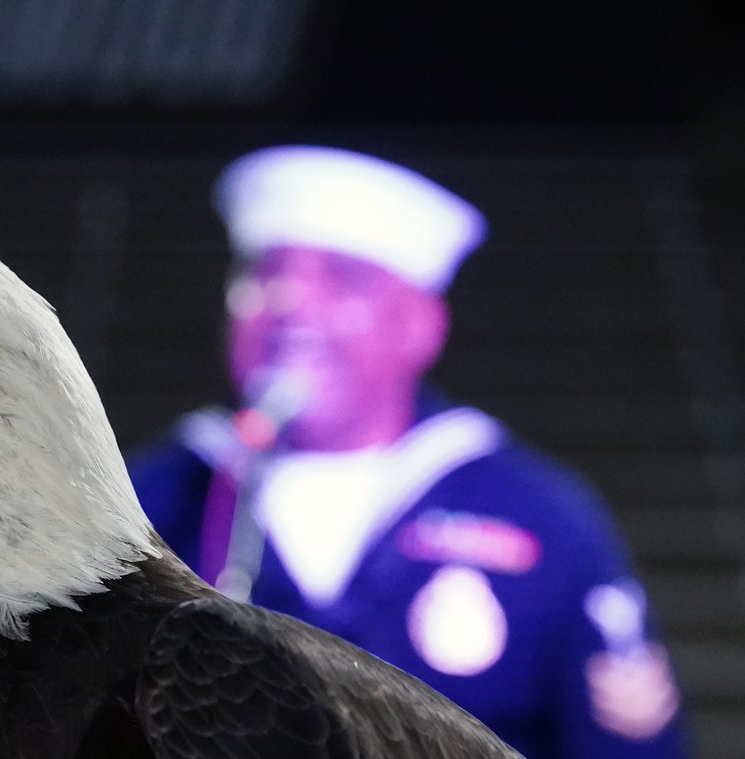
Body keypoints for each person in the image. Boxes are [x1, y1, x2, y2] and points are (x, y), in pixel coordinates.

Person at [127, 145, 686, 759]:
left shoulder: (539, 514)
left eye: (342, 277)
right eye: (265, 272)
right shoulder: (145, 501)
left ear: (421, 325)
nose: (291, 303)